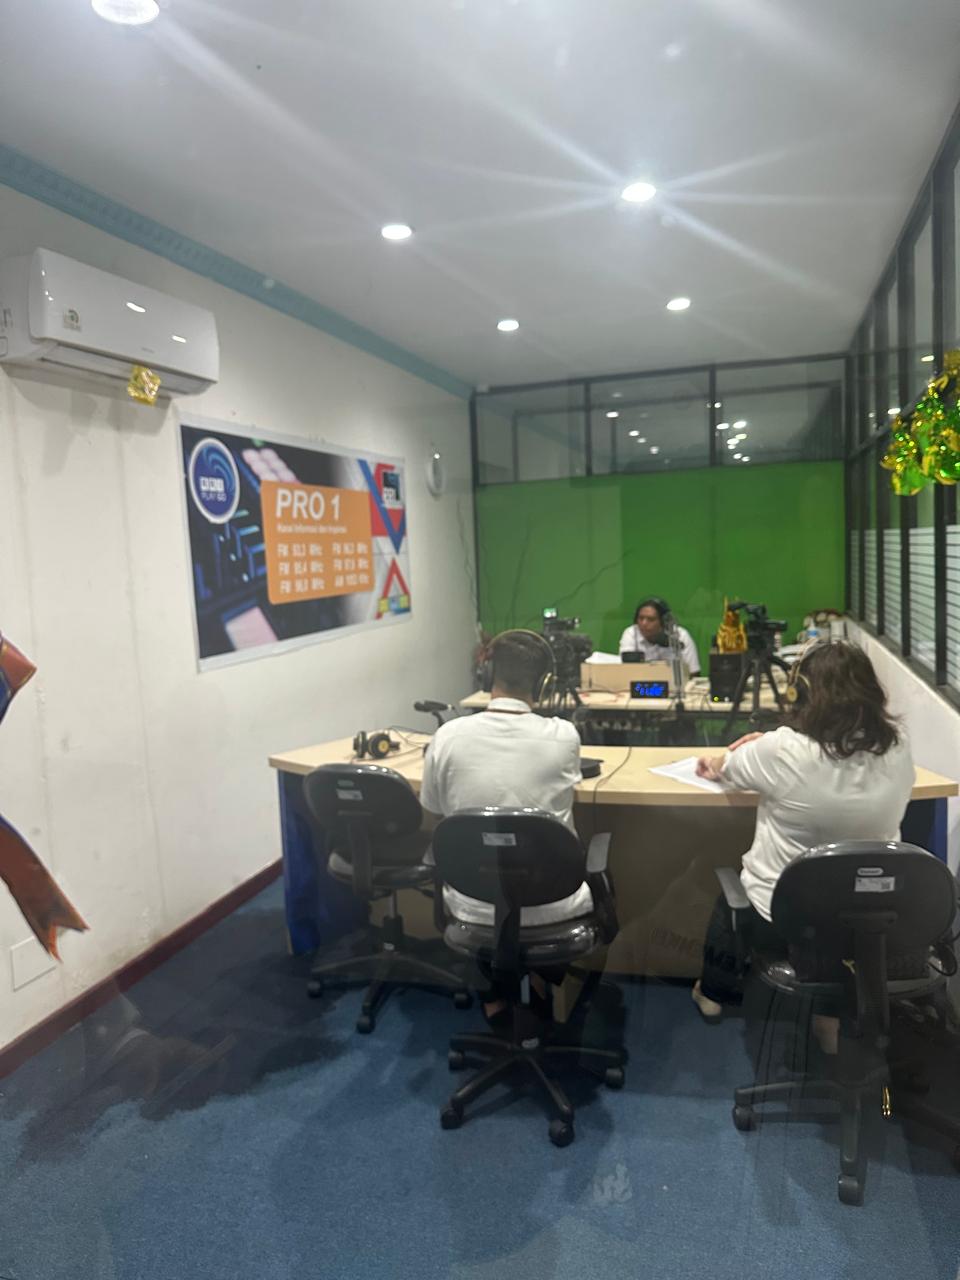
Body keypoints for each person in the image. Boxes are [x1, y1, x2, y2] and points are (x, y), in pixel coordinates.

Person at [689, 640, 914, 1050]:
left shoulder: (782, 750)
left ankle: (713, 993)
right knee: (835, 906)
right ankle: (828, 1019)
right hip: (871, 918)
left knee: (731, 897)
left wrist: (738, 753)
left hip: (787, 921)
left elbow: (723, 768)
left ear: (802, 693)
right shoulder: (897, 745)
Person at [420, 630, 592, 1019]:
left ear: (486, 676)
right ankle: (540, 979)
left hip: (473, 900)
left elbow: (433, 810)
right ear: (544, 685)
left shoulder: (447, 737)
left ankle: (496, 989)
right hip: (552, 901)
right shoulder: (564, 737)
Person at [618, 597, 700, 675]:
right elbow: (627, 672)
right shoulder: (631, 634)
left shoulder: (680, 636)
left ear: (664, 622)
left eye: (651, 619)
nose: (644, 623)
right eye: (641, 618)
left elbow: (694, 672)